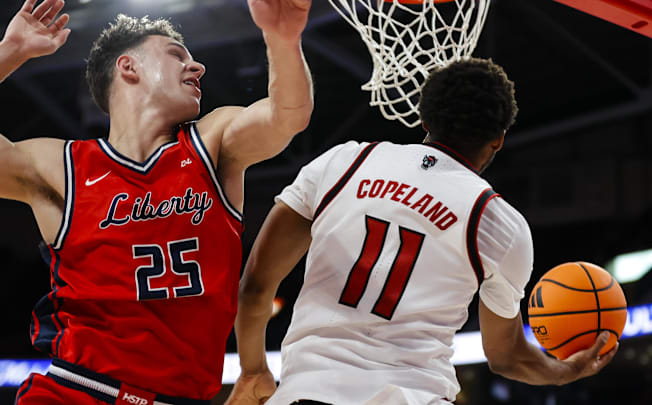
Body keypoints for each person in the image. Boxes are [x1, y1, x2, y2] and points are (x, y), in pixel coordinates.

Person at [224, 58, 618, 405]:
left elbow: (257, 286)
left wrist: (254, 370)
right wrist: (567, 371)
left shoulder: (344, 162)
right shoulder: (498, 223)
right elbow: (506, 357)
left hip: (308, 392)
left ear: (425, 120)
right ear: (498, 139)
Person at [0, 0, 313, 403]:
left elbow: (287, 116)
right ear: (128, 67)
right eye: (176, 55)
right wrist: (10, 52)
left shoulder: (213, 143)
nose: (197, 67)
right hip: (78, 391)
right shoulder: (62, 166)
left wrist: (283, 39)